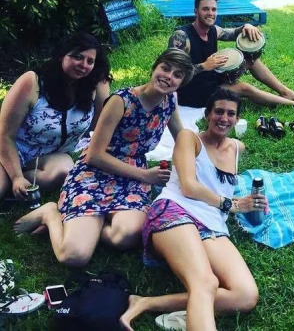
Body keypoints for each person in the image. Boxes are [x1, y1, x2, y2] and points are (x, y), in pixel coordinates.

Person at [14, 49, 194, 268]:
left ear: (182, 83)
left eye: (177, 75)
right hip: (96, 173)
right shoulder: (121, 100)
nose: (168, 76)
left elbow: (182, 139)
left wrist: (199, 165)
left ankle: (85, 224)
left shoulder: (169, 101)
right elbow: (94, 155)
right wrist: (145, 176)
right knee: (74, 257)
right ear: (154, 67)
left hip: (131, 180)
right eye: (165, 68)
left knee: (125, 237)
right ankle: (51, 213)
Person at [119, 89, 261, 331]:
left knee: (245, 296)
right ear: (207, 114)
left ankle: (146, 302)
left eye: (231, 114)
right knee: (205, 282)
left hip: (212, 224)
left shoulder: (237, 148)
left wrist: (246, 202)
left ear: (237, 119)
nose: (224, 118)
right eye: (218, 112)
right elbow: (189, 186)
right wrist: (231, 204)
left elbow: (218, 188)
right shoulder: (189, 138)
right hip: (175, 210)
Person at [0, 32, 112, 202]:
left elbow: (100, 128)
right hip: (11, 151)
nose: (83, 65)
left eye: (90, 61)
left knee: (64, 172)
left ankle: (14, 185)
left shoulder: (96, 84)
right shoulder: (32, 82)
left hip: (48, 156)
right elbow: (4, 134)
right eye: (78, 57)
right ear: (62, 55)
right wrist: (16, 176)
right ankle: (11, 180)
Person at [169, 0, 294, 109]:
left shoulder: (213, 30)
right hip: (192, 92)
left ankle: (286, 92)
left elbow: (233, 33)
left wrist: (247, 26)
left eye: (213, 9)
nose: (210, 13)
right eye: (205, 9)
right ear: (196, 11)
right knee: (244, 88)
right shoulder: (182, 36)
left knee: (251, 59)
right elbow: (172, 73)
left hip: (211, 79)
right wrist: (204, 66)